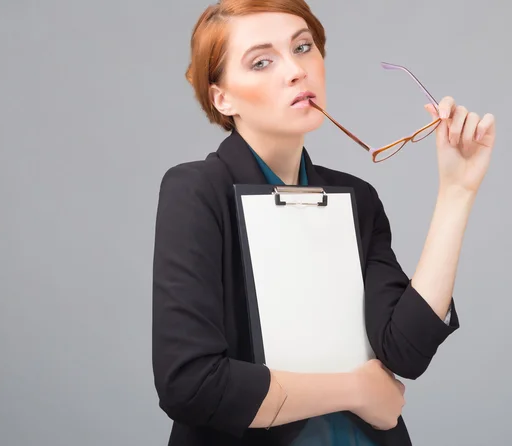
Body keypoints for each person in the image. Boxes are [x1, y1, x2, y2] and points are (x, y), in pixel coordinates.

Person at [151, 1, 496, 445]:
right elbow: (191, 384)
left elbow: (405, 350)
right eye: (261, 61)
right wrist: (356, 390)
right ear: (223, 97)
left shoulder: (357, 198)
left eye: (303, 47)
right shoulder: (198, 191)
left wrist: (456, 191)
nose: (296, 70)